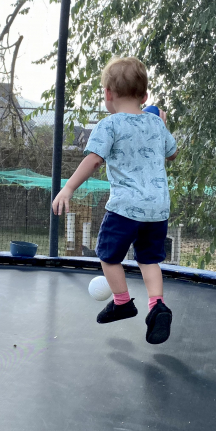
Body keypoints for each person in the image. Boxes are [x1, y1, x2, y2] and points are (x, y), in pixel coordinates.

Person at [52, 56, 178, 344]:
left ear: (108, 94)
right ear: (145, 96)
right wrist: (162, 123)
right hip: (157, 210)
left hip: (125, 209)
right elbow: (172, 153)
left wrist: (68, 188)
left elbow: (94, 160)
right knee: (149, 261)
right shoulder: (155, 123)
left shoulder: (109, 125)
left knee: (108, 255)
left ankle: (122, 301)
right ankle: (157, 306)